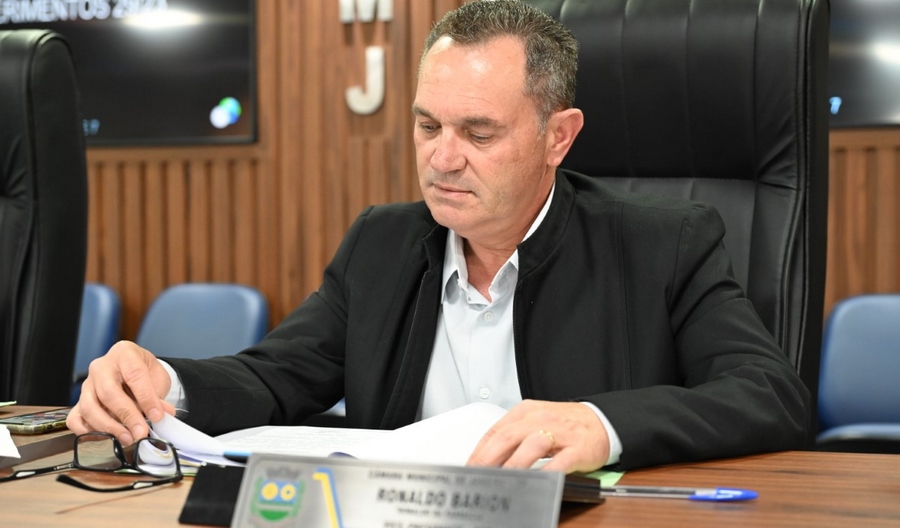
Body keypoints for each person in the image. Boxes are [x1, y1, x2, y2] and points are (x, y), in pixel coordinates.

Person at [67, 0, 810, 473]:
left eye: (478, 133)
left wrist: (600, 424)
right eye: (428, 126)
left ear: (558, 136)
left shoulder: (663, 244)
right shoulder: (382, 245)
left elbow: (770, 394)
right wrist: (164, 384)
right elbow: (274, 377)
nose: (442, 158)